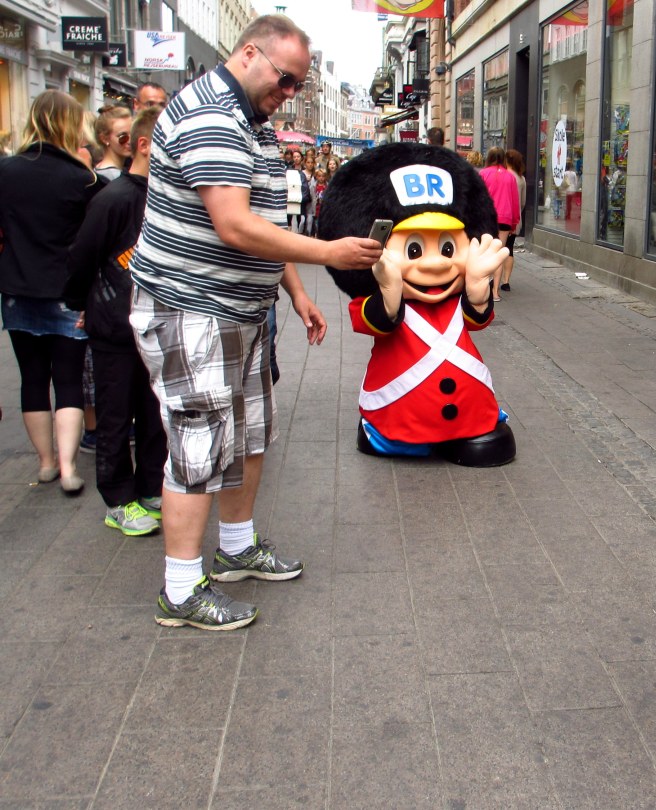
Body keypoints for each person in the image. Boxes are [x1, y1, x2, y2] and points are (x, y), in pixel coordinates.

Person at [129, 13, 385, 630]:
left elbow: (264, 227)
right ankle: (181, 589)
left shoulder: (254, 119)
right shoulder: (212, 115)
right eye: (286, 79)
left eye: (298, 83)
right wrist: (327, 255)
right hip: (190, 308)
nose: (290, 92)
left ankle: (237, 549)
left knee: (248, 436)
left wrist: (293, 290)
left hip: (240, 310)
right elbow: (235, 225)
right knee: (197, 443)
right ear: (249, 54)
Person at [65, 106, 167, 536]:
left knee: (152, 412)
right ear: (144, 145)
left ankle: (149, 487)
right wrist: (84, 304)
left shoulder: (166, 196)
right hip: (115, 325)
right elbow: (82, 257)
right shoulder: (112, 198)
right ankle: (118, 499)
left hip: (155, 324)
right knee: (114, 414)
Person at [0, 90, 102, 495]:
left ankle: (44, 463)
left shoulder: (6, 172)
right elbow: (90, 243)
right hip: (66, 291)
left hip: (16, 287)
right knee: (69, 379)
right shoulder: (82, 180)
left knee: (32, 378)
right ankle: (68, 466)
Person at [479, 147, 520, 302]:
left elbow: (478, 198)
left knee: (485, 252)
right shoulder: (510, 177)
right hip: (505, 218)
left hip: (487, 217)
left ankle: (483, 289)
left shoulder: (483, 174)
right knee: (499, 254)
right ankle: (496, 292)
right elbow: (515, 201)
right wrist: (514, 222)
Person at [501, 148, 526, 292]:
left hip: (503, 217)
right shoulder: (521, 178)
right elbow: (522, 202)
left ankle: (494, 279)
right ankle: (506, 281)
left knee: (497, 248)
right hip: (516, 219)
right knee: (509, 249)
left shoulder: (505, 176)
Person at [93, 105, 132, 181]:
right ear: (104, 139)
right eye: (123, 136)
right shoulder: (114, 176)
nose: (130, 141)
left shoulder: (100, 169)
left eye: (133, 134)